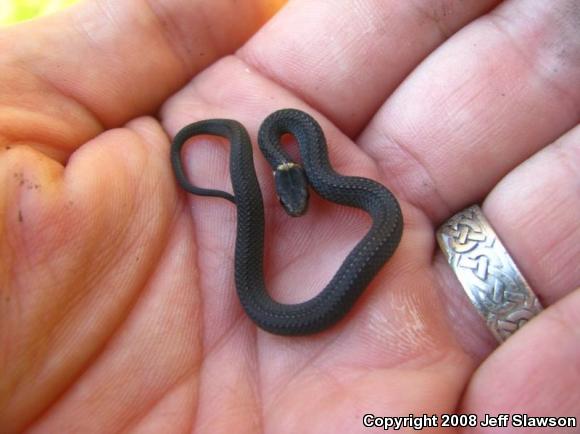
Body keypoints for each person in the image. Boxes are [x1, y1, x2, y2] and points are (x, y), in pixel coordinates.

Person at [1, 0, 578, 432]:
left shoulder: (304, 154)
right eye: (295, 199)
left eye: (301, 198)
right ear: (287, 176)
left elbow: (332, 196)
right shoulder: (280, 152)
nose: (301, 210)